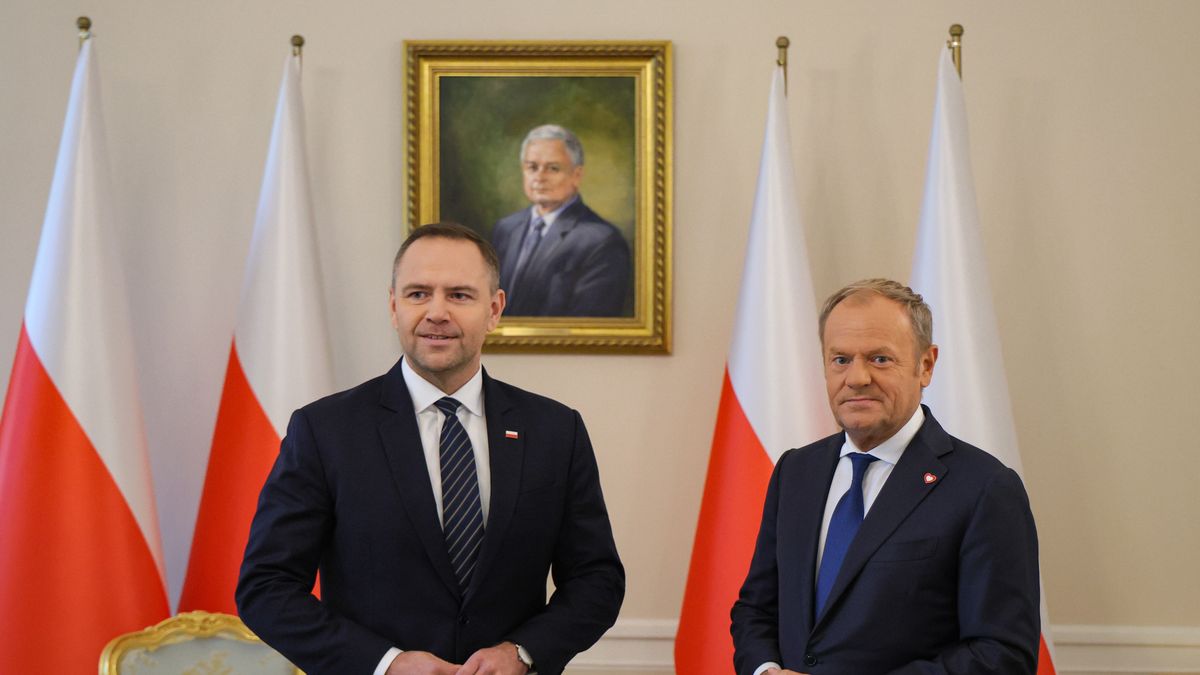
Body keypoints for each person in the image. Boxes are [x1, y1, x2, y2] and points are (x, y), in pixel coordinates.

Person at [237, 222, 625, 675]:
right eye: (418, 294)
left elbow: (597, 579)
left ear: (495, 309)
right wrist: (386, 663)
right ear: (393, 306)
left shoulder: (556, 430)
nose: (436, 312)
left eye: (459, 295)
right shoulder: (325, 431)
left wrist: (522, 651)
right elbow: (266, 587)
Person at [730, 278, 1041, 674]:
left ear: (925, 365)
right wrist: (766, 670)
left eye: (879, 359)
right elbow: (757, 607)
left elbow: (1002, 655)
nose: (857, 377)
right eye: (840, 359)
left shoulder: (985, 488)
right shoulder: (796, 471)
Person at [491, 124, 631, 317]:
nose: (539, 177)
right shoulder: (505, 229)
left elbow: (591, 325)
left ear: (576, 175)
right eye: (532, 167)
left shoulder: (602, 241)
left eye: (553, 168)